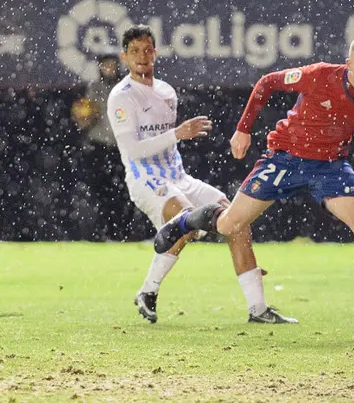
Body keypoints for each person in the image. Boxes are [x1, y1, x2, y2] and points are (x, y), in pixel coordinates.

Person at [153, 34, 354, 329]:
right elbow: (267, 82)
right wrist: (243, 130)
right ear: (349, 64)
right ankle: (185, 222)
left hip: (330, 165)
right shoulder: (319, 76)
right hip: (285, 158)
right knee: (229, 225)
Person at [107, 25, 295, 325]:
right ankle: (150, 288)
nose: (142, 57)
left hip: (178, 176)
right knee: (185, 219)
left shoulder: (167, 91)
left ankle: (258, 308)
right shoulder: (121, 96)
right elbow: (132, 150)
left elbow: (166, 140)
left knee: (237, 220)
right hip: (146, 178)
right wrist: (177, 134)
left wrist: (175, 136)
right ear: (124, 57)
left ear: (155, 52)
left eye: (147, 50)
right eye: (135, 51)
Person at [71, 55, 130, 241]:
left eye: (112, 66)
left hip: (121, 146)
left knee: (123, 192)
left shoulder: (125, 88)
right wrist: (85, 118)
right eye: (105, 66)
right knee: (100, 191)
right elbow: (84, 120)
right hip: (99, 146)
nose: (109, 69)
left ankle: (122, 232)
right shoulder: (94, 88)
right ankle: (102, 232)